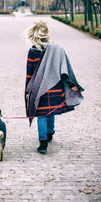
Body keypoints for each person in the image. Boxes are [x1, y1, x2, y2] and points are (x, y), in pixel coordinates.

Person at [25, 21, 84, 155]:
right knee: (50, 111)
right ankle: (50, 133)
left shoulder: (33, 51)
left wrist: (28, 91)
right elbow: (65, 69)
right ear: (47, 34)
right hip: (55, 87)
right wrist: (72, 85)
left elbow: (30, 74)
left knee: (41, 113)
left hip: (39, 88)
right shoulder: (58, 49)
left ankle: (43, 142)